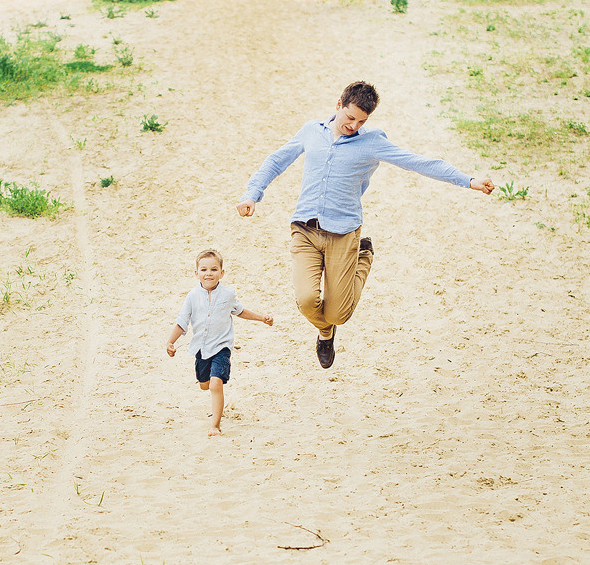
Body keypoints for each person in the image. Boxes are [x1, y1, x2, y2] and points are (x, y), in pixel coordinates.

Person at [237, 81, 494, 370]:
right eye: (350, 117)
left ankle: (363, 256)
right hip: (305, 229)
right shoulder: (312, 131)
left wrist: (467, 180)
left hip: (343, 234)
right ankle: (325, 333)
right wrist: (252, 194)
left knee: (339, 314)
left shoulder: (371, 142)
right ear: (339, 105)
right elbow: (276, 162)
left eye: (362, 121)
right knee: (308, 300)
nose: (353, 125)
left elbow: (419, 162)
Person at [167, 248, 273, 437]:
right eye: (204, 270)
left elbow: (240, 311)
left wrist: (261, 318)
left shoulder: (228, 294)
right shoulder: (192, 296)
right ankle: (208, 386)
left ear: (221, 273)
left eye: (214, 269)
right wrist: (171, 341)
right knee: (204, 384)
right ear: (196, 273)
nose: (209, 273)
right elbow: (182, 321)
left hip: (222, 347)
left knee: (216, 384)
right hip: (201, 347)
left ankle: (215, 425)